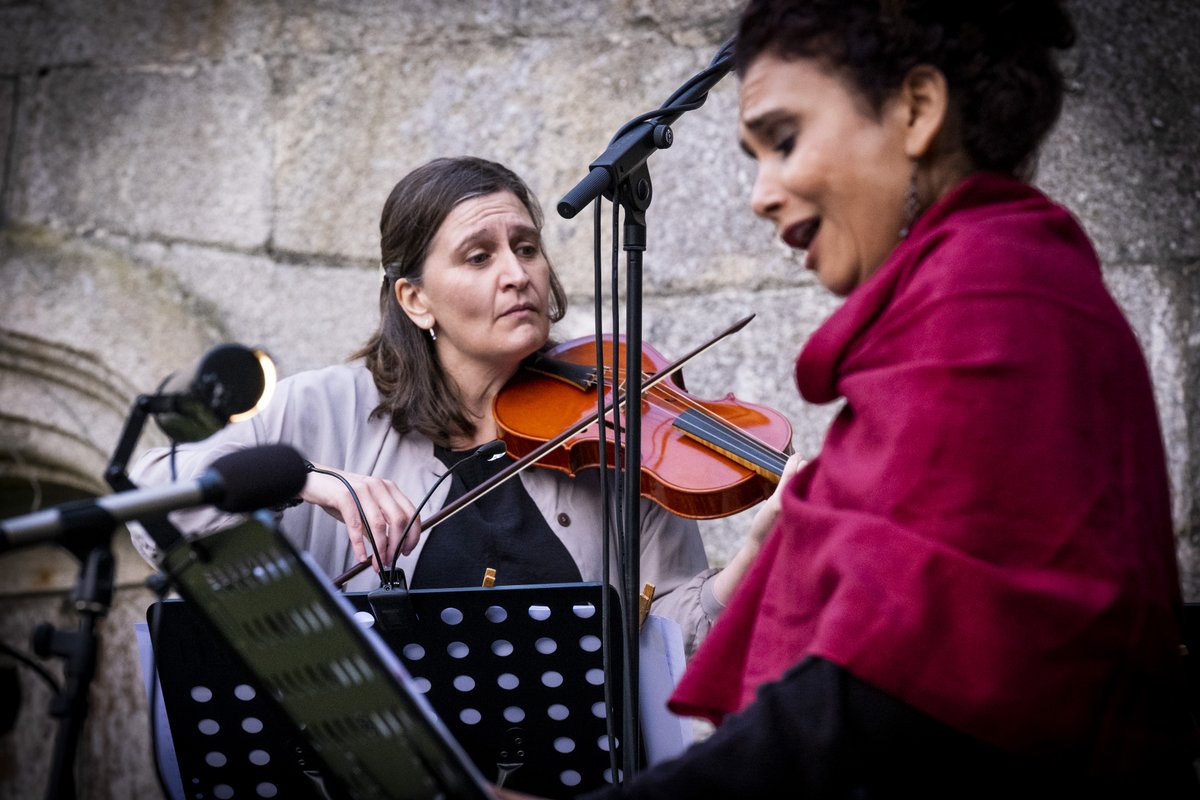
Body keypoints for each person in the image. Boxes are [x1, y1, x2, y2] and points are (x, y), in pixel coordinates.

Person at [500, 1, 1199, 798]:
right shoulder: (986, 284)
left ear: (916, 110)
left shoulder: (993, 298)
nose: (762, 195)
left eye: (785, 140)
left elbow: (886, 701)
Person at [129, 156, 800, 656]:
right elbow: (151, 498)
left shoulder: (618, 428)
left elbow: (666, 647)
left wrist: (751, 563)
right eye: (479, 257)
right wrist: (311, 481)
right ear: (415, 300)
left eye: (527, 248)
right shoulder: (329, 407)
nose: (518, 274)